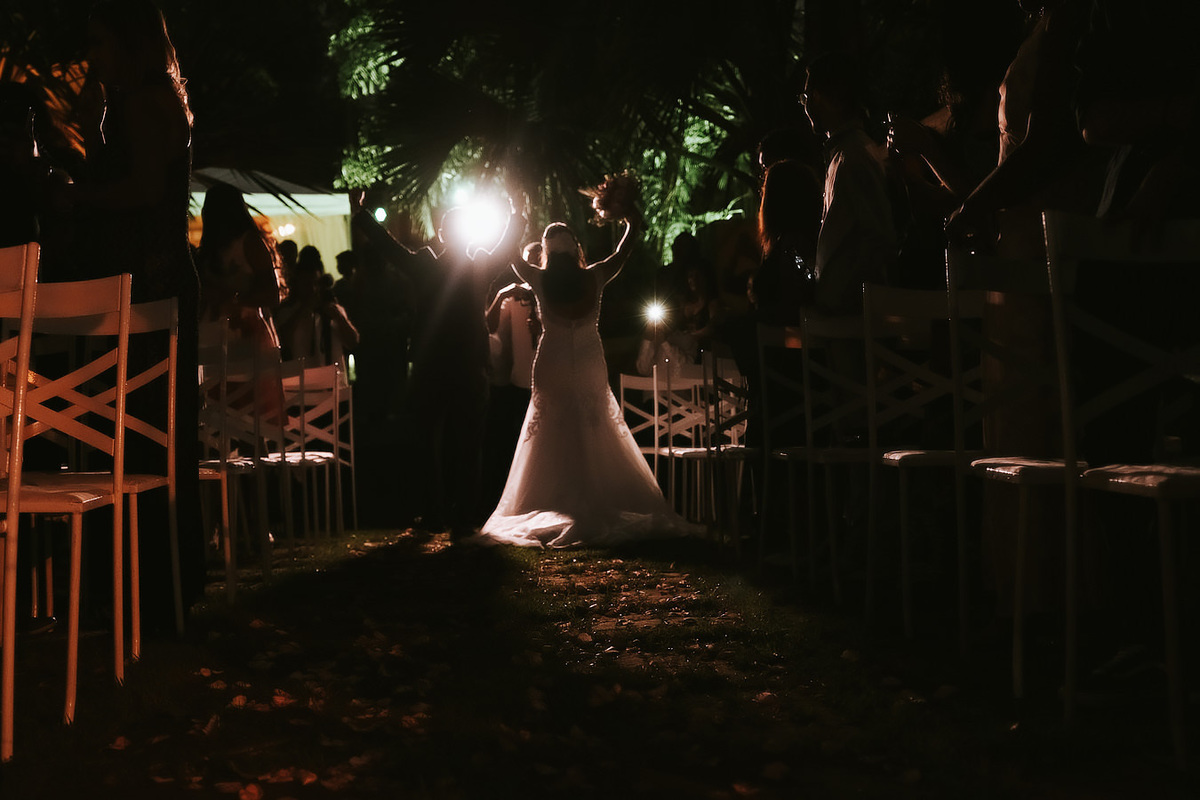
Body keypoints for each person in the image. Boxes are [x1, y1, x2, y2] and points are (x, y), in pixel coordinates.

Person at [60, 0, 204, 629]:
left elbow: (143, 190)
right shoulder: (145, 99)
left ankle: (140, 591)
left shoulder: (144, 102)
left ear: (126, 40)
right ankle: (154, 586)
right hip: (157, 276)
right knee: (145, 430)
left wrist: (75, 195)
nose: (90, 53)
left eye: (99, 39)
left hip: (150, 281)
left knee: (141, 428)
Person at [478, 206, 701, 548]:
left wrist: (513, 222)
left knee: (552, 430)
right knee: (595, 426)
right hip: (587, 359)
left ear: (548, 251)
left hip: (551, 361)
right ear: (576, 248)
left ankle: (554, 500)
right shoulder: (595, 276)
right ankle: (597, 497)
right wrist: (631, 219)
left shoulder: (539, 279)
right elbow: (622, 253)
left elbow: (510, 255)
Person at [352, 197, 522, 537]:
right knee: (468, 443)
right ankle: (464, 517)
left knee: (427, 441)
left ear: (442, 235)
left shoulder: (423, 265)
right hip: (470, 364)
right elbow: (507, 244)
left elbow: (386, 245)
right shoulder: (480, 265)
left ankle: (432, 513)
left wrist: (363, 214)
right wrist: (514, 214)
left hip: (431, 364)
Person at [801, 51, 898, 315]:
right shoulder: (844, 155)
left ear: (827, 97)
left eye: (808, 96)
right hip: (848, 312)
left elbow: (879, 237)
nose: (807, 105)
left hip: (852, 316)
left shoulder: (852, 157)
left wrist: (842, 290)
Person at [195, 181, 286, 355]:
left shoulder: (249, 242)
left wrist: (234, 300)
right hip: (212, 334)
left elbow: (272, 295)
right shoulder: (209, 250)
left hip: (246, 332)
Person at [274, 245, 359, 365]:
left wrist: (338, 317)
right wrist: (303, 310)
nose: (313, 289)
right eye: (306, 284)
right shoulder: (288, 311)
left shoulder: (331, 309)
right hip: (303, 380)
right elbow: (282, 342)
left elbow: (353, 342)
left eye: (316, 284)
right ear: (297, 285)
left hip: (333, 380)